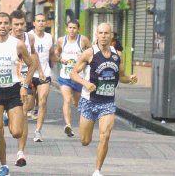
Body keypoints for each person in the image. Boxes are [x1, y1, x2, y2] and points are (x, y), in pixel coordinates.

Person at [70, 22, 137, 176]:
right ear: (96, 35)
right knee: (85, 141)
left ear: (111, 35)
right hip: (89, 101)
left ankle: (97, 171)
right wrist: (86, 83)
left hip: (107, 102)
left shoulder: (117, 55)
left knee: (105, 135)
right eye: (100, 33)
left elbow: (121, 77)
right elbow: (73, 73)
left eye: (106, 33)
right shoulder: (89, 53)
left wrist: (131, 78)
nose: (103, 36)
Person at [0, 12, 36, 176]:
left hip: (14, 90)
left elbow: (32, 65)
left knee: (16, 132)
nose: (2, 26)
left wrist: (24, 85)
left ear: (9, 25)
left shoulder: (18, 44)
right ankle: (4, 166)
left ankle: (9, 117)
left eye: (5, 23)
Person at [9, 10, 39, 167]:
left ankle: (21, 152)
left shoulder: (30, 37)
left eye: (22, 24)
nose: (19, 28)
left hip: (24, 81)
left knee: (25, 111)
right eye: (16, 24)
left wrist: (38, 72)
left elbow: (33, 57)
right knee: (14, 125)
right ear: (11, 25)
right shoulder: (6, 39)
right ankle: (9, 117)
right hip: (7, 82)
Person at [54, 19, 91, 137]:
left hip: (79, 77)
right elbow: (56, 53)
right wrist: (61, 60)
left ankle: (85, 122)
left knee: (76, 102)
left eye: (74, 28)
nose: (72, 30)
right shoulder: (61, 40)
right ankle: (68, 125)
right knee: (67, 100)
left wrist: (84, 57)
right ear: (66, 28)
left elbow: (92, 53)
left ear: (78, 29)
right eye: (70, 27)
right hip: (65, 76)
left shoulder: (83, 40)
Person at [28, 13, 53, 142]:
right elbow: (32, 56)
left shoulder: (49, 37)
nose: (41, 23)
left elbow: (52, 54)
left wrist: (61, 60)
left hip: (46, 74)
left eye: (43, 21)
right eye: (38, 21)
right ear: (34, 23)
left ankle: (38, 131)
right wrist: (39, 70)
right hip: (31, 74)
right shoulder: (29, 36)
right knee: (28, 106)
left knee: (43, 100)